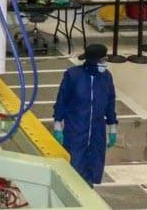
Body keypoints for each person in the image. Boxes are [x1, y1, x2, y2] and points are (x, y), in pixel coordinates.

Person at [52, 42, 118, 186]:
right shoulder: (73, 76)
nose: (105, 63)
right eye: (102, 60)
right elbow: (62, 100)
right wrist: (57, 123)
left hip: (97, 130)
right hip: (76, 129)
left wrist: (112, 126)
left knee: (94, 164)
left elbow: (110, 101)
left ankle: (89, 190)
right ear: (93, 61)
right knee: (74, 165)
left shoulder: (106, 77)